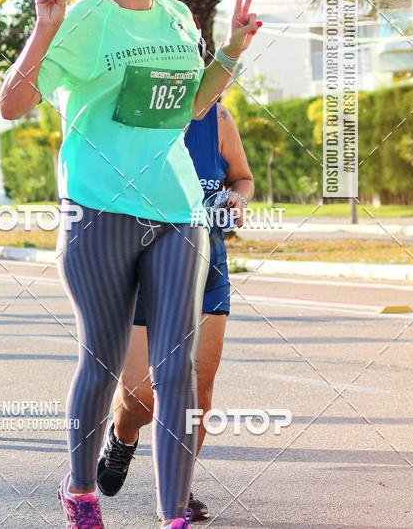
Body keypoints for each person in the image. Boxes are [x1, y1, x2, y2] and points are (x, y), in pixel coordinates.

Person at [0, 0, 260, 529]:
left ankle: (173, 514)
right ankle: (80, 492)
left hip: (177, 211)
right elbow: (12, 104)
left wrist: (230, 51)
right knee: (104, 362)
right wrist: (44, 29)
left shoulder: (176, 16)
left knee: (176, 370)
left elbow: (192, 107)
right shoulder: (83, 18)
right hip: (98, 209)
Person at [97, 98, 254, 521]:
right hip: (139, 260)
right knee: (141, 397)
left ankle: (177, 492)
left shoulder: (218, 118)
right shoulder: (126, 109)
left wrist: (237, 200)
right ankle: (123, 435)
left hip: (205, 261)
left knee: (197, 388)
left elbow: (242, 178)